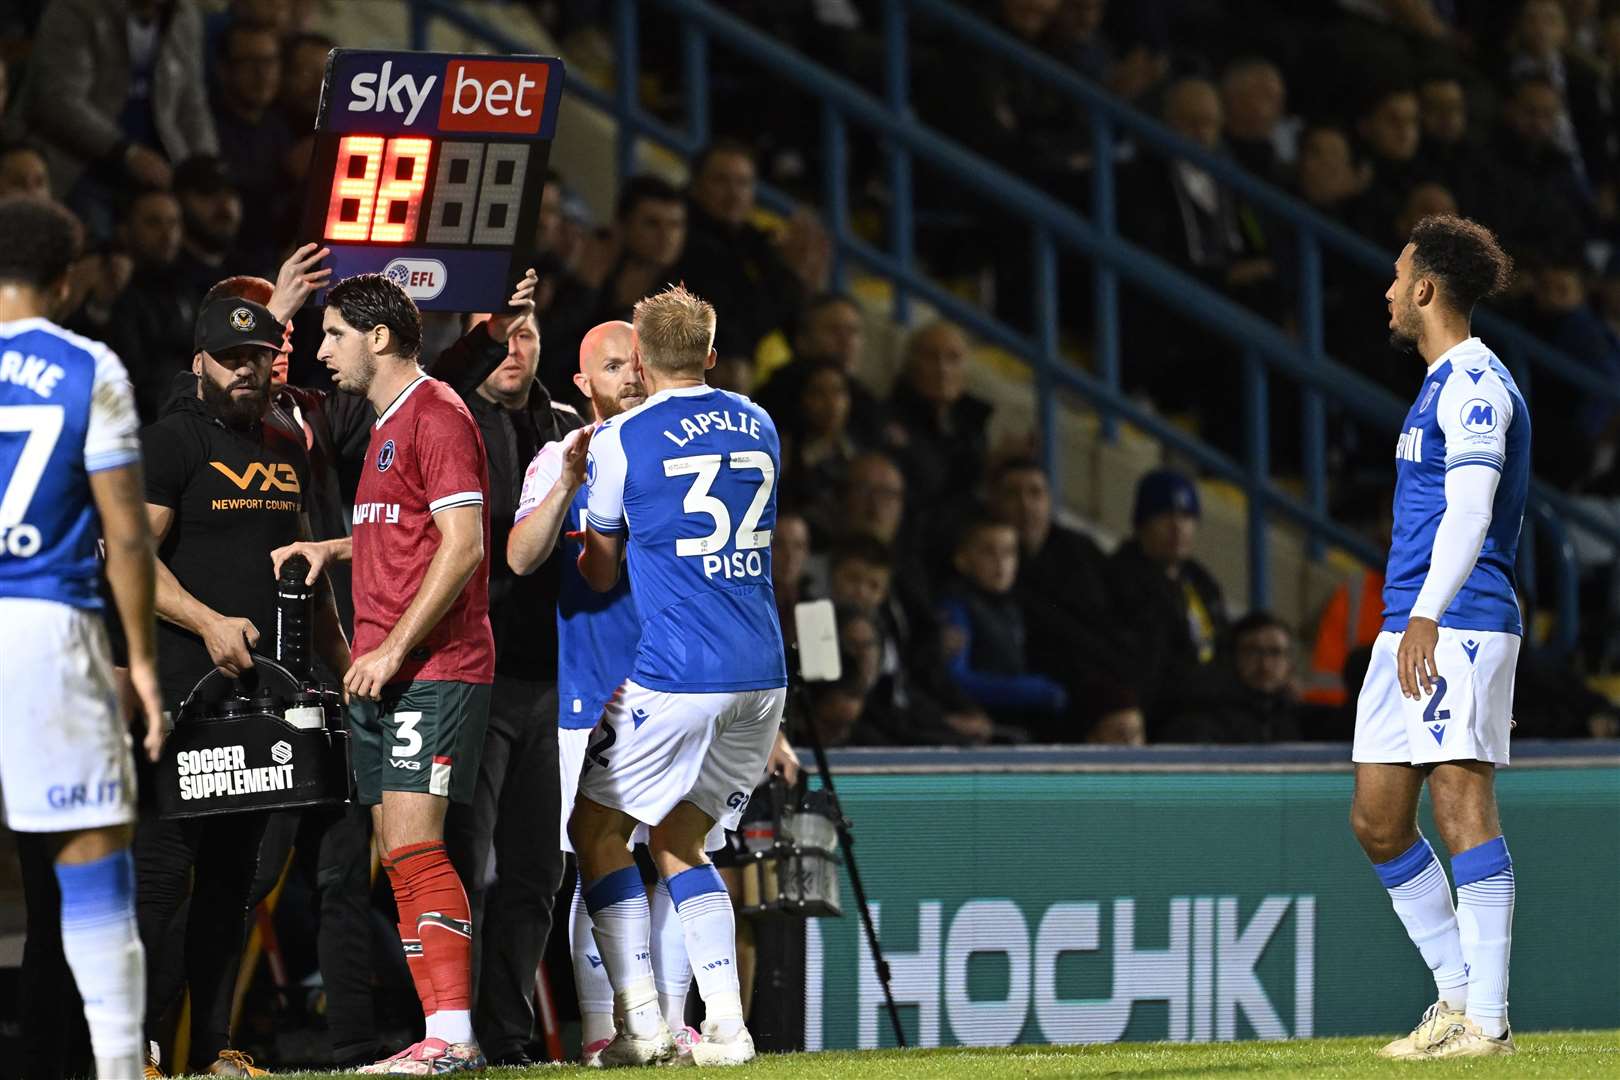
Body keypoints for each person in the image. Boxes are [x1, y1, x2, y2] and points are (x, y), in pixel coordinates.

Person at [273, 273, 495, 1075]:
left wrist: (395, 648)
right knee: (400, 852)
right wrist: (327, 551)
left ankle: (455, 1036)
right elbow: (399, 533)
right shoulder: (386, 424)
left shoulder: (437, 413)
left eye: (332, 334)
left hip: (432, 666)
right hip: (389, 668)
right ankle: (443, 1033)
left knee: (415, 846)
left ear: (379, 337)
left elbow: (464, 544)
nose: (320, 350)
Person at [569, 285, 788, 1067]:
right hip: (763, 676)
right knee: (679, 838)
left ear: (644, 360)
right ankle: (727, 1027)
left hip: (678, 673)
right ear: (711, 355)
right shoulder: (759, 422)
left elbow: (599, 572)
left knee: (593, 831)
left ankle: (641, 1026)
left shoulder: (622, 438)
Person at [138, 294, 349, 1078]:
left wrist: (342, 657)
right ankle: (144, 1051)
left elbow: (305, 571)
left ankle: (216, 1046)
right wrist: (208, 622)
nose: (245, 371)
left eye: (258, 358)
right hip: (180, 694)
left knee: (234, 882)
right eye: (230, 359)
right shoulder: (165, 445)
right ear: (199, 361)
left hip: (261, 702)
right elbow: (128, 560)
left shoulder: (284, 456)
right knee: (160, 879)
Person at [1351, 214, 1524, 1060]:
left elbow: (1471, 509)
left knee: (1460, 806)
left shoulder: (1477, 384)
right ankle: (1454, 998)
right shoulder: (1434, 385)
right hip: (1406, 624)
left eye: (1396, 276)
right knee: (1379, 819)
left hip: (1458, 619)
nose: (1386, 291)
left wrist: (1426, 613)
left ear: (1425, 289)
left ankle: (1485, 1021)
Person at [0, 195, 160, 1080]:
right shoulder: (86, 366)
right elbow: (127, 535)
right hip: (46, 631)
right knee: (93, 858)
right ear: (64, 283)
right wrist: (139, 660)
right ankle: (114, 1067)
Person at [429, 272, 580, 1068]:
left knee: (535, 872)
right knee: (463, 864)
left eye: (525, 333)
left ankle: (509, 1038)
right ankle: (451, 1034)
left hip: (553, 681)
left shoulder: (565, 426)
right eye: (501, 334)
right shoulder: (450, 419)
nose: (514, 348)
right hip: (473, 674)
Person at [1107, 468, 1228, 732]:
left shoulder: (1200, 580)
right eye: (1165, 516)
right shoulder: (1120, 578)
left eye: (1186, 517)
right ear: (1141, 524)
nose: (1178, 527)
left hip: (1208, 704)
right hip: (1163, 714)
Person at [937, 518, 1069, 738]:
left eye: (1008, 553)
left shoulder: (1012, 607)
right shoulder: (955, 607)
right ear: (962, 559)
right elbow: (957, 680)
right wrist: (1030, 690)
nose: (1000, 562)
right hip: (980, 725)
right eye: (988, 552)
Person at [1161, 612, 1308, 743]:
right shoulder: (1199, 720)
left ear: (1290, 662)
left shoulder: (1297, 719)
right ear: (1232, 657)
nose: (1265, 665)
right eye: (1253, 651)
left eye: (1275, 652)